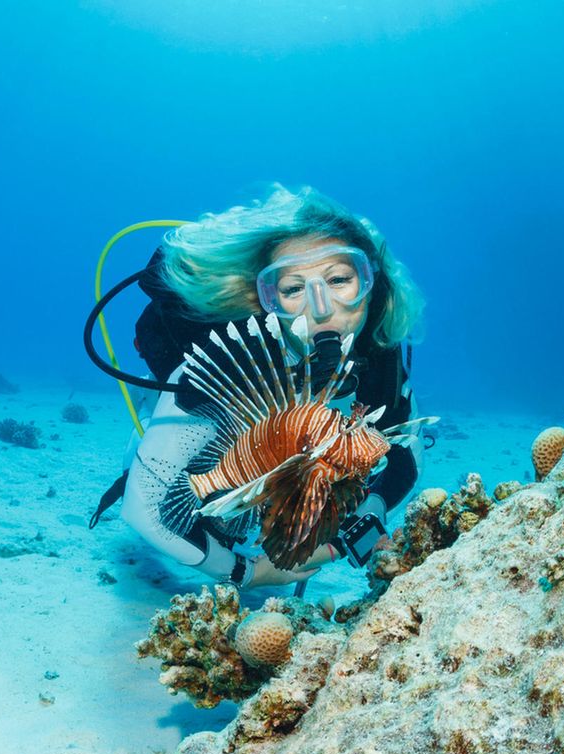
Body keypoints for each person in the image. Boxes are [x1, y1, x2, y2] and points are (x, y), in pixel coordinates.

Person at [100, 185, 426, 589]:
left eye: (339, 278)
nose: (321, 307)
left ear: (370, 282)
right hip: (221, 428)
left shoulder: (376, 352)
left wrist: (367, 513)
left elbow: (405, 451)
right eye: (292, 288)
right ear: (266, 297)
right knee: (189, 487)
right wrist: (250, 572)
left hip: (295, 447)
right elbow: (144, 509)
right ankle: (149, 433)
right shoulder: (225, 366)